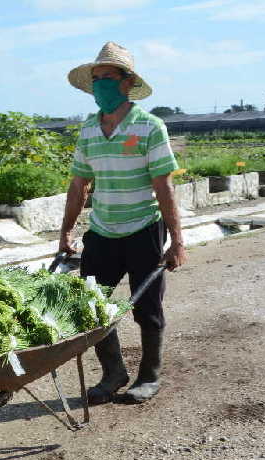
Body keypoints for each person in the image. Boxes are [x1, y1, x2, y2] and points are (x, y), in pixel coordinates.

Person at [59, 42, 187, 404]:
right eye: (95, 79)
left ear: (127, 82)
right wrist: (66, 231)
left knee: (147, 310)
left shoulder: (149, 127)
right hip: (101, 231)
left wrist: (176, 240)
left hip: (143, 229)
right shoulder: (88, 129)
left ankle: (149, 377)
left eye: (107, 78)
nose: (99, 85)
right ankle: (114, 372)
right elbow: (79, 185)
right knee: (91, 307)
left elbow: (165, 187)